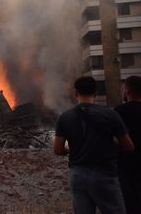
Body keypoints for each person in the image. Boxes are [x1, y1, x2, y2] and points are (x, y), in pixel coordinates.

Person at [53, 76, 134, 214]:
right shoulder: (110, 114)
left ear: (76, 93)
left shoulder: (65, 117)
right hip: (104, 174)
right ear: (95, 93)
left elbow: (58, 149)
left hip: (77, 175)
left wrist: (71, 149)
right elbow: (129, 147)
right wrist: (112, 144)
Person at [115, 75, 141, 214]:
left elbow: (112, 140)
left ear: (128, 92)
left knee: (129, 205)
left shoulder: (119, 112)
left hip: (126, 167)